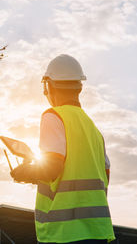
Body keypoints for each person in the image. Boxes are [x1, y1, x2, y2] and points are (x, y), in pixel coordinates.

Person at [10, 54, 115, 243]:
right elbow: (105, 176)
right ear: (79, 87)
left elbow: (52, 168)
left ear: (48, 86)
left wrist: (26, 173)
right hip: (97, 231)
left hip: (64, 233)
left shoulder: (53, 116)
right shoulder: (94, 131)